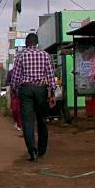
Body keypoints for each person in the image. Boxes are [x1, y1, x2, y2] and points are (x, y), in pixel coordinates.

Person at [10, 33, 57, 162]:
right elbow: (51, 76)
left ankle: (32, 151)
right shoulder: (45, 55)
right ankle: (42, 151)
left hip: (26, 89)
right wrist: (52, 94)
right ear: (37, 43)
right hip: (41, 90)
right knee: (42, 120)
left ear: (26, 43)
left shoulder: (21, 56)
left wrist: (14, 90)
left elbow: (15, 77)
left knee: (27, 121)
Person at [6, 64, 22, 131]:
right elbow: (7, 82)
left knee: (20, 110)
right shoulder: (10, 72)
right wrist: (12, 84)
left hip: (22, 93)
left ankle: (19, 125)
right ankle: (15, 121)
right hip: (14, 94)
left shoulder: (23, 72)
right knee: (14, 110)